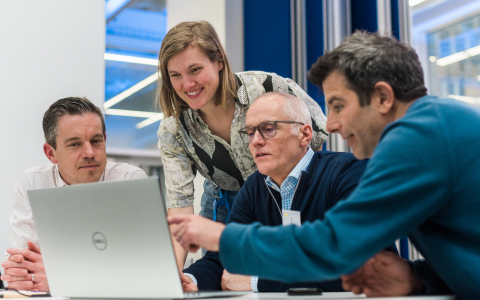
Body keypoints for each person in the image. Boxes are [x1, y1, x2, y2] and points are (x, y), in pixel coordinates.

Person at [168, 31, 480, 300]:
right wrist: (416, 279)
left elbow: (335, 244)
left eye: (338, 106)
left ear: (383, 97)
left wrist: (220, 238)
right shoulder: (440, 124)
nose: (329, 126)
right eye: (250, 132)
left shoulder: (419, 135)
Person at [179, 92, 397, 292]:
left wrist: (257, 282)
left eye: (269, 128)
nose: (256, 141)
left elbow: (363, 265)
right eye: (250, 132)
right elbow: (226, 256)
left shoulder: (347, 173)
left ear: (304, 134)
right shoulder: (255, 186)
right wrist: (191, 279)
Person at [157, 21, 328, 268]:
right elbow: (180, 210)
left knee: (295, 266)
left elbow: (317, 144)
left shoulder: (268, 88)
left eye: (195, 70)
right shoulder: (173, 129)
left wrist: (303, 203)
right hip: (226, 201)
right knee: (225, 274)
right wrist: (172, 277)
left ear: (219, 61)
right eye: (175, 75)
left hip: (290, 190)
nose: (187, 84)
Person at [1, 97, 147, 292]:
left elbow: (140, 267)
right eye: (75, 144)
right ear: (51, 153)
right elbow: (24, 263)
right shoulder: (32, 182)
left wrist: (59, 277)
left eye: (96, 141)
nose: (89, 152)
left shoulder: (130, 180)